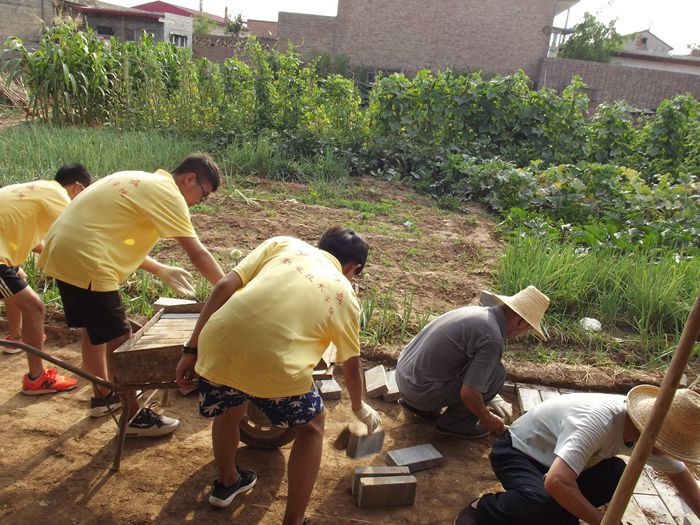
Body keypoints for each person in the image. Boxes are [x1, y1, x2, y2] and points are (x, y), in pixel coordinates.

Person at [175, 226, 381, 525]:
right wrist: (359, 407)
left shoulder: (282, 243)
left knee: (229, 408)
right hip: (274, 364)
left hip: (218, 344)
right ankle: (293, 521)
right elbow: (351, 365)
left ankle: (227, 481)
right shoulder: (344, 294)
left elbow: (223, 287)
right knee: (312, 426)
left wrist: (190, 349)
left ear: (321, 244)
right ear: (353, 268)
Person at [39, 153, 225, 436]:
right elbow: (197, 252)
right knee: (120, 339)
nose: (201, 201)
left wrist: (160, 268)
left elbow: (110, 234)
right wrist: (228, 288)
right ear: (190, 179)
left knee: (94, 331)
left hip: (62, 250)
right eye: (204, 194)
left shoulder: (141, 180)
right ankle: (133, 416)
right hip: (88, 258)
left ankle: (103, 396)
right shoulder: (169, 193)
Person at [454, 384, 700, 525]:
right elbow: (556, 482)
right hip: (520, 451)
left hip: (558, 464)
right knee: (541, 502)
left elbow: (681, 477)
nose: (667, 452)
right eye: (668, 445)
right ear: (649, 431)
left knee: (616, 473)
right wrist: (605, 523)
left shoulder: (645, 434)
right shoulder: (599, 422)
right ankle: (481, 509)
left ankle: (560, 516)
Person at [395, 285, 550, 439]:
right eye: (527, 330)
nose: (521, 334)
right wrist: (486, 418)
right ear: (521, 322)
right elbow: (469, 393)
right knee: (496, 374)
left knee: (479, 371)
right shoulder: (492, 339)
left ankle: (420, 408)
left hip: (403, 379)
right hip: (420, 392)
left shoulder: (477, 313)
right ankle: (455, 425)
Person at [0, 163, 92, 393]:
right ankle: (37, 378)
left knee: (17, 277)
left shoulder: (39, 192)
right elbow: (79, 235)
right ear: (78, 188)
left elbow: (37, 243)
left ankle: (17, 337)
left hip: (3, 255)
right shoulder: (59, 196)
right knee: (35, 307)